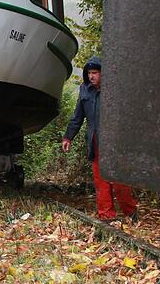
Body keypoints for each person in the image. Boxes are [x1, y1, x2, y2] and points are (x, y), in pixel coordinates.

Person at [61, 57, 137, 221]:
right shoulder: (84, 90)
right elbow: (77, 117)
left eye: (95, 73)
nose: (91, 76)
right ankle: (106, 216)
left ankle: (130, 213)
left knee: (119, 182)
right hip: (95, 142)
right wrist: (68, 137)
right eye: (89, 73)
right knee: (100, 181)